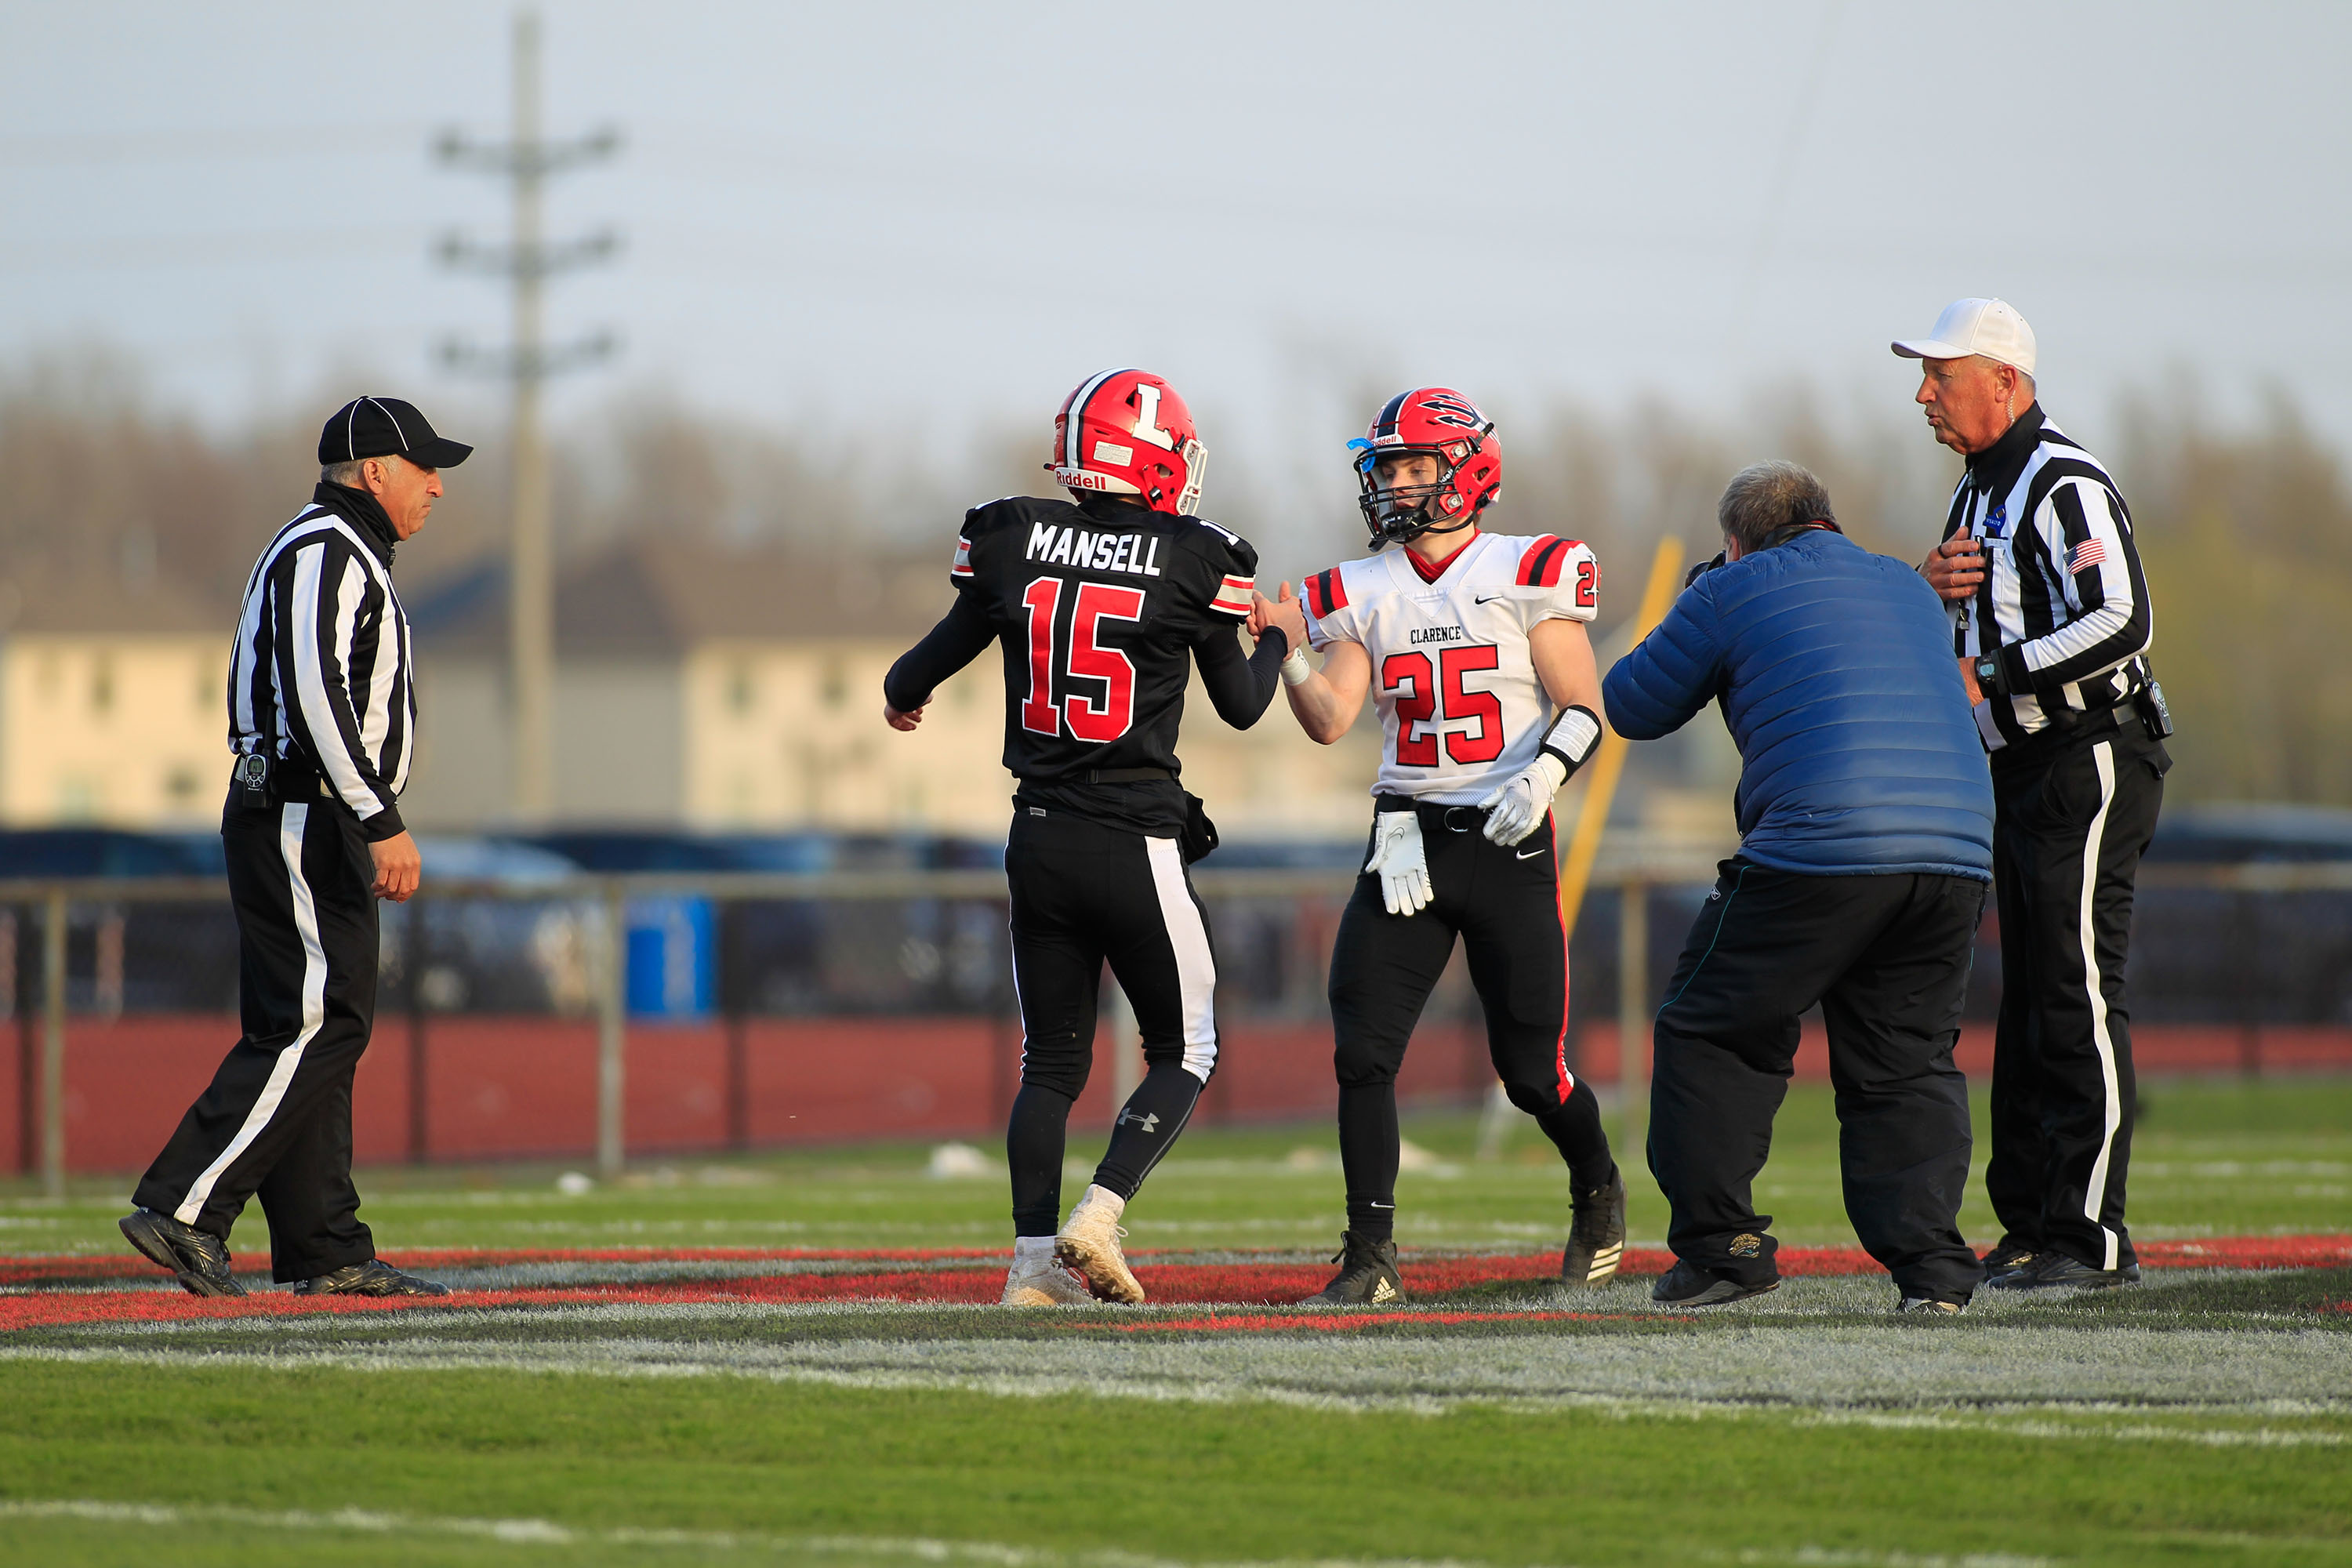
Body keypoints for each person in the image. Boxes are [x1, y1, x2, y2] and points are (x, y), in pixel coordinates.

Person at [883, 368, 1290, 1307]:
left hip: (1037, 837)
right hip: (1135, 838)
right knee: (1186, 1049)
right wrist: (1273, 637)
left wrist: (906, 699)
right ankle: (1100, 1213)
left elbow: (916, 670)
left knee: (1052, 1061)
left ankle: (1028, 1267)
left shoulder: (1009, 535)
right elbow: (1240, 705)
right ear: (1154, 459)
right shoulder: (1199, 554)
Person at [1251, 387, 1623, 1306]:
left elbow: (1585, 707)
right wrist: (1290, 649)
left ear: (1468, 470)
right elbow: (1333, 718)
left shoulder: (1530, 566)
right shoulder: (1361, 585)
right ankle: (1369, 1254)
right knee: (1363, 1049)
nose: (1396, 482)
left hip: (1508, 833)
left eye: (1416, 464)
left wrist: (1541, 777)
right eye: (1388, 466)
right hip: (1406, 832)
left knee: (1534, 1072)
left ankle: (1598, 1189)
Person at [1603, 461, 1993, 1313]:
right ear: (1827, 520)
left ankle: (1723, 1249)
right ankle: (1935, 1271)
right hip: (1958, 844)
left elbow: (1630, 702)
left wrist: (1703, 596)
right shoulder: (1902, 582)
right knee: (1907, 1062)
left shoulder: (1730, 588)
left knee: (1711, 1028)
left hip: (1825, 839)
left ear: (1736, 541)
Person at [119, 397, 466, 1299]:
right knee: (319, 1022)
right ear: (375, 469)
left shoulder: (336, 549)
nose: (437, 485)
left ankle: (325, 1245)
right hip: (304, 815)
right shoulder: (326, 549)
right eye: (424, 466)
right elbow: (317, 694)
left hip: (304, 814)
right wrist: (378, 815)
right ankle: (186, 1207)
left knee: (316, 1027)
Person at [1896, 298, 2169, 1290]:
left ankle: (2091, 1235)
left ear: (2005, 379)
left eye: (1942, 374)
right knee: (2029, 997)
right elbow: (1976, 626)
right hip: (2017, 767)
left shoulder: (2063, 477)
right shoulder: (1977, 493)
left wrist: (1999, 673)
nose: (1923, 395)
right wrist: (1931, 591)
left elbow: (2123, 619)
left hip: (2089, 754)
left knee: (2075, 988)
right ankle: (2034, 1223)